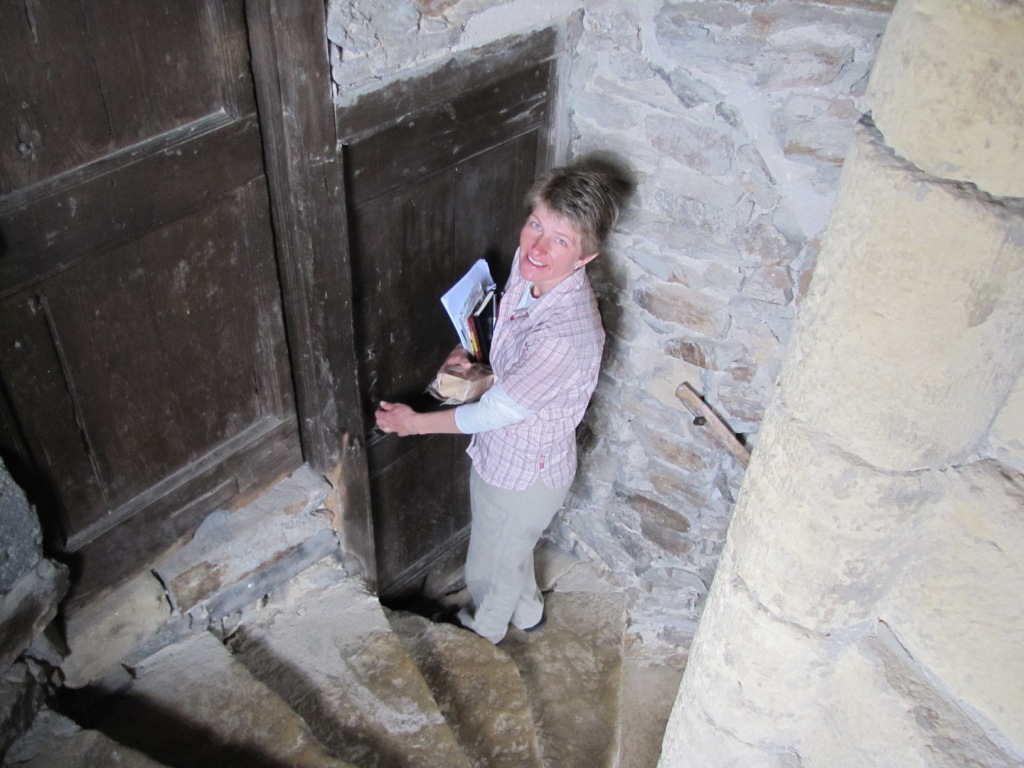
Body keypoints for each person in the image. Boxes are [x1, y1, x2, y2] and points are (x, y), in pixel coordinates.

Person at [375, 159, 630, 644]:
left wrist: (414, 423)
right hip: (506, 456)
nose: (537, 247)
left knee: (489, 565)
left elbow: (495, 412)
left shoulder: (565, 335)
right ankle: (529, 614)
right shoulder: (530, 267)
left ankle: (482, 632)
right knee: (511, 551)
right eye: (536, 224)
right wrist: (473, 351)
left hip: (523, 473)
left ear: (585, 258)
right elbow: (509, 324)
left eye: (561, 240)